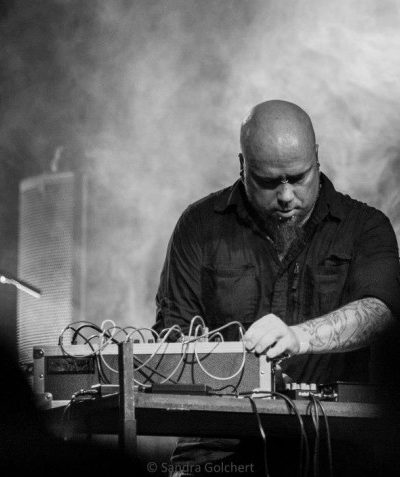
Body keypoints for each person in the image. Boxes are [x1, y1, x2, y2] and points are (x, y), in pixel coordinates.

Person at [154, 100, 400, 476]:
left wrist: (299, 337)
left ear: (317, 158)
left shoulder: (365, 227)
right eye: (269, 182)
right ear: (243, 166)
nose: (285, 196)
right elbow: (171, 338)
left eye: (298, 178)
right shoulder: (199, 225)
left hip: (336, 444)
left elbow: (381, 310)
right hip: (220, 447)